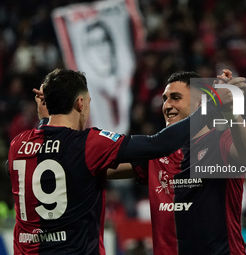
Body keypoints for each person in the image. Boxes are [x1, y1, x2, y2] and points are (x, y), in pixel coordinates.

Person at [7, 68, 231, 255]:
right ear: (80, 103)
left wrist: (45, 117)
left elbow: (47, 150)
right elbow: (158, 144)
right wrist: (211, 108)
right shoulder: (89, 144)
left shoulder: (18, 145)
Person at [112, 69, 246, 255]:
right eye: (165, 99)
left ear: (200, 103)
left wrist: (231, 113)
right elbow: (102, 169)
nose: (166, 105)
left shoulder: (220, 141)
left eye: (175, 97)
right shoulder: (157, 152)